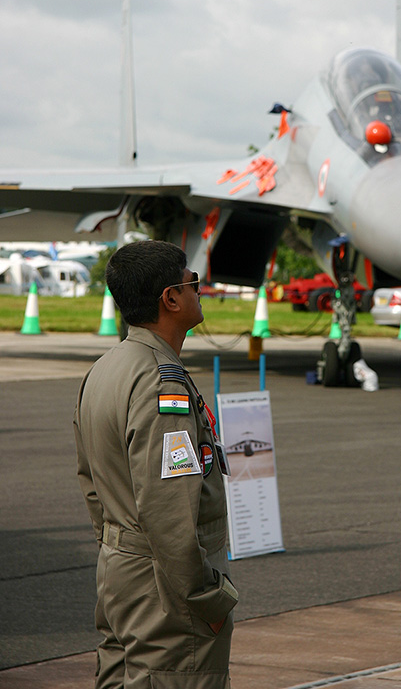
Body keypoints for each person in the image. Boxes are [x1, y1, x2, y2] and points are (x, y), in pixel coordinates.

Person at [73, 240, 238, 689]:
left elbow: (92, 484)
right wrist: (203, 597)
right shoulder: (161, 383)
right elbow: (169, 505)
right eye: (193, 283)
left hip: (121, 573)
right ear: (170, 298)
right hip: (165, 588)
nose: (199, 291)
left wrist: (117, 546)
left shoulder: (105, 369)